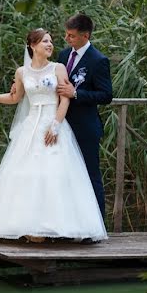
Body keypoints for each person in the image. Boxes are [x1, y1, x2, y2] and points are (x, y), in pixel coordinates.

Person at [0, 28, 107, 242]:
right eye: (45, 41)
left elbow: (65, 99)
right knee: (25, 175)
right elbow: (15, 97)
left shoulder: (58, 68)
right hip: (31, 126)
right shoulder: (21, 72)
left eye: (51, 41)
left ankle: (57, 228)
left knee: (56, 174)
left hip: (54, 124)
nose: (50, 44)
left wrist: (55, 125)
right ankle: (28, 227)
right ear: (33, 46)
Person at [55, 13, 113, 219]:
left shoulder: (98, 60)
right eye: (66, 34)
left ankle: (96, 226)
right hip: (63, 125)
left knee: (90, 175)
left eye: (71, 36)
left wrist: (76, 93)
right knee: (64, 176)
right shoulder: (63, 55)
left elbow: (106, 95)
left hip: (85, 127)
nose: (67, 39)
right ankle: (69, 223)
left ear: (85, 36)